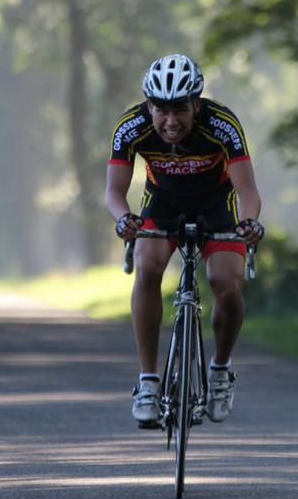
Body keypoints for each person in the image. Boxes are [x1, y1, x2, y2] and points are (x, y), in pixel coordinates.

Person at [105, 53, 265, 428]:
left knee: (226, 283)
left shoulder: (222, 124)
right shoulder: (131, 127)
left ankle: (221, 372)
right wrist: (124, 219)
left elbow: (248, 190)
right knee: (146, 267)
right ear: (149, 105)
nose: (170, 121)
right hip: (162, 202)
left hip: (217, 203)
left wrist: (248, 223)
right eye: (161, 110)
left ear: (196, 104)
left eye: (180, 110)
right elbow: (113, 192)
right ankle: (148, 382)